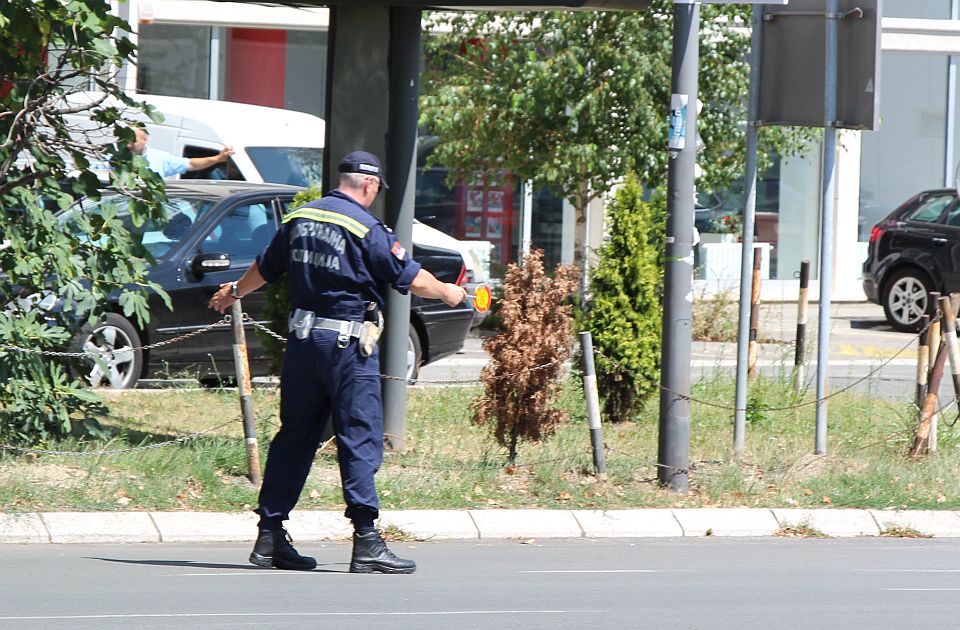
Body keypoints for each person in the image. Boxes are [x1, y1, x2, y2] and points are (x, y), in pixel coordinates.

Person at [208, 150, 467, 574]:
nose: (375, 195)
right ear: (368, 184)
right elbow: (410, 276)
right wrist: (448, 293)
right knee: (359, 436)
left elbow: (265, 267)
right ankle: (366, 540)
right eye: (376, 189)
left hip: (303, 344)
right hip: (346, 347)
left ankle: (270, 535)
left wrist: (234, 291)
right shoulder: (366, 226)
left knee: (295, 436)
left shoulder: (299, 218)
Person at [128, 127, 235, 179]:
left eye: (132, 141)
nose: (128, 145)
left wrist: (218, 158)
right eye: (124, 140)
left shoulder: (159, 158)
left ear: (145, 139)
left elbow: (191, 164)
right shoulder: (112, 160)